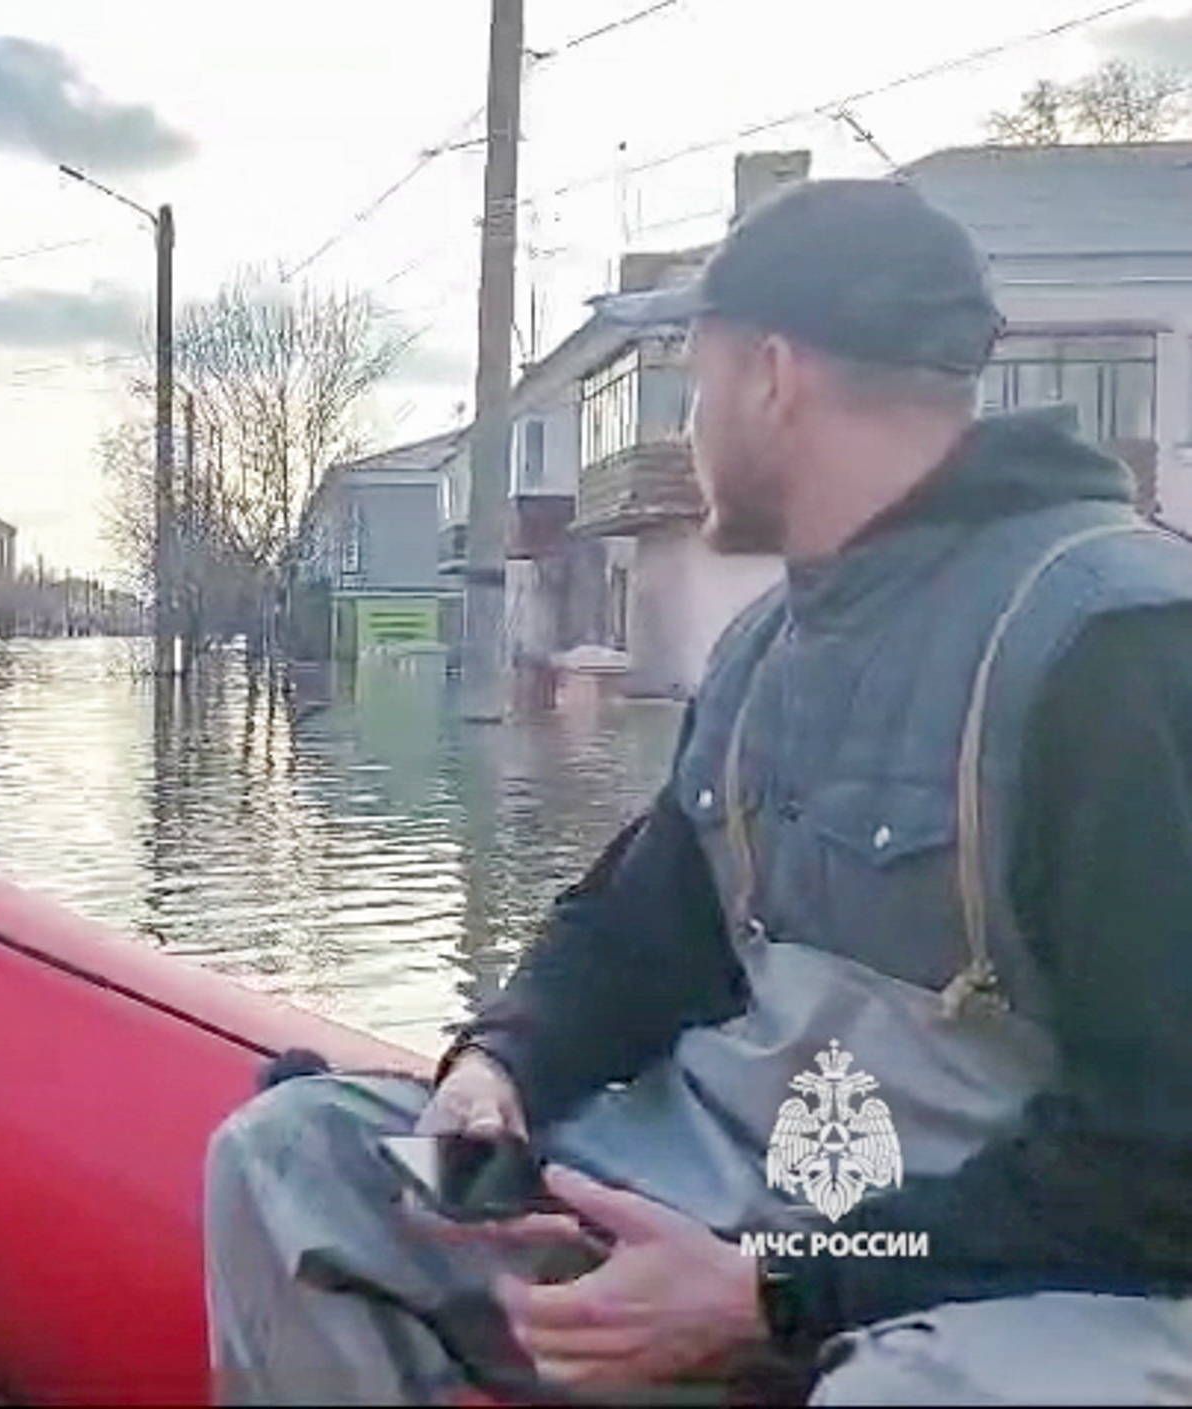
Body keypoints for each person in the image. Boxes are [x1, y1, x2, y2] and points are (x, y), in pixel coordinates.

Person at [205, 179, 1192, 1404]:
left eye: (693, 379)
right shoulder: (766, 648)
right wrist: (497, 1065)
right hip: (740, 1206)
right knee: (300, 1156)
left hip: (1018, 1275)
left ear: (769, 374)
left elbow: (1164, 1160)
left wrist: (773, 1290)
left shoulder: (1122, 644)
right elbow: (636, 934)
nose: (688, 420)